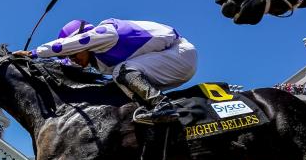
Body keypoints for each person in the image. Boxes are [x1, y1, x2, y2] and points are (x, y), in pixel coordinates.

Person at [14, 18, 197, 125]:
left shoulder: (105, 34)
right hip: (169, 61)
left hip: (179, 54)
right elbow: (63, 63)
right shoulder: (93, 56)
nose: (72, 59)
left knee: (121, 72)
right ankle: (149, 111)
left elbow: (68, 46)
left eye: (73, 53)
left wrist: (34, 53)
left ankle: (162, 106)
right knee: (115, 85)